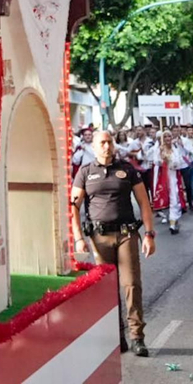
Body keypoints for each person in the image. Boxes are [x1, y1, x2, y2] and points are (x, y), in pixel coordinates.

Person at [70, 129, 155, 357]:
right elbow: (74, 207)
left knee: (132, 285)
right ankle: (116, 337)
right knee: (107, 289)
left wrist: (149, 234)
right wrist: (78, 238)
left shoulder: (127, 170)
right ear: (94, 147)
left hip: (126, 234)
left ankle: (137, 337)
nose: (107, 146)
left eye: (110, 142)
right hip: (100, 238)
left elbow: (144, 202)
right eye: (102, 143)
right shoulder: (85, 172)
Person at [146, 130, 186, 235]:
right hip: (163, 178)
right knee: (165, 198)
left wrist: (170, 162)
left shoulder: (175, 149)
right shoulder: (159, 149)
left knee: (174, 198)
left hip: (173, 177)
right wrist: (162, 159)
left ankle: (173, 223)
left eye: (169, 136)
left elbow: (179, 163)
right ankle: (170, 217)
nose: (168, 138)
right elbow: (156, 161)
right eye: (165, 137)